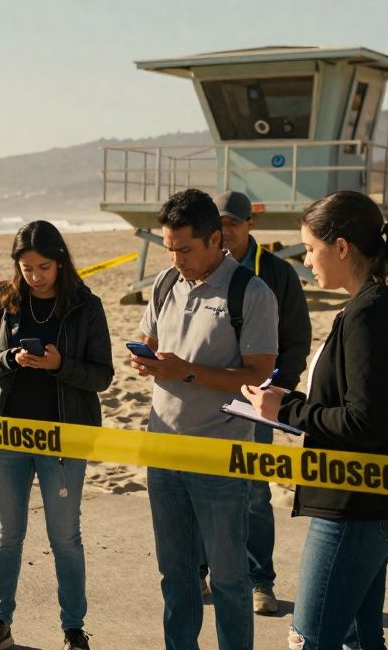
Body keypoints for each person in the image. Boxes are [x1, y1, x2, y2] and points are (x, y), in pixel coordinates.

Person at [244, 190, 388, 650]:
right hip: (364, 499)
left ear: (342, 247)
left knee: (309, 639)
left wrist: (284, 409)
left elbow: (365, 422)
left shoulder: (372, 312)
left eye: (310, 248)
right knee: (359, 639)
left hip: (358, 506)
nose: (305, 260)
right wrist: (290, 402)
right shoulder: (369, 305)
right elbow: (356, 404)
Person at [130, 189, 279, 650]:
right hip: (163, 450)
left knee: (231, 579)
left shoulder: (251, 292)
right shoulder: (165, 282)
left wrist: (187, 372)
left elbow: (258, 374)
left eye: (185, 249)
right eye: (169, 248)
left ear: (217, 239)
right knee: (175, 575)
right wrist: (148, 359)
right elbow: (147, 336)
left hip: (221, 458)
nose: (176, 258)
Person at [0, 220, 115, 650]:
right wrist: (10, 359)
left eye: (44, 267)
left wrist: (58, 365)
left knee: (65, 537)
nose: (35, 276)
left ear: (61, 261)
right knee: (6, 534)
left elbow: (102, 376)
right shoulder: (3, 299)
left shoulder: (87, 305)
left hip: (65, 440)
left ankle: (73, 627)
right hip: (7, 434)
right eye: (26, 267)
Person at [198, 191, 311, 615]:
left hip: (257, 403)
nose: (226, 231)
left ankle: (260, 581)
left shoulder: (277, 273)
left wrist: (275, 391)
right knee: (205, 488)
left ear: (249, 226)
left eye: (233, 223)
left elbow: (296, 338)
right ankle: (204, 572)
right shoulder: (198, 268)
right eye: (219, 224)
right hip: (206, 398)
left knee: (254, 493)